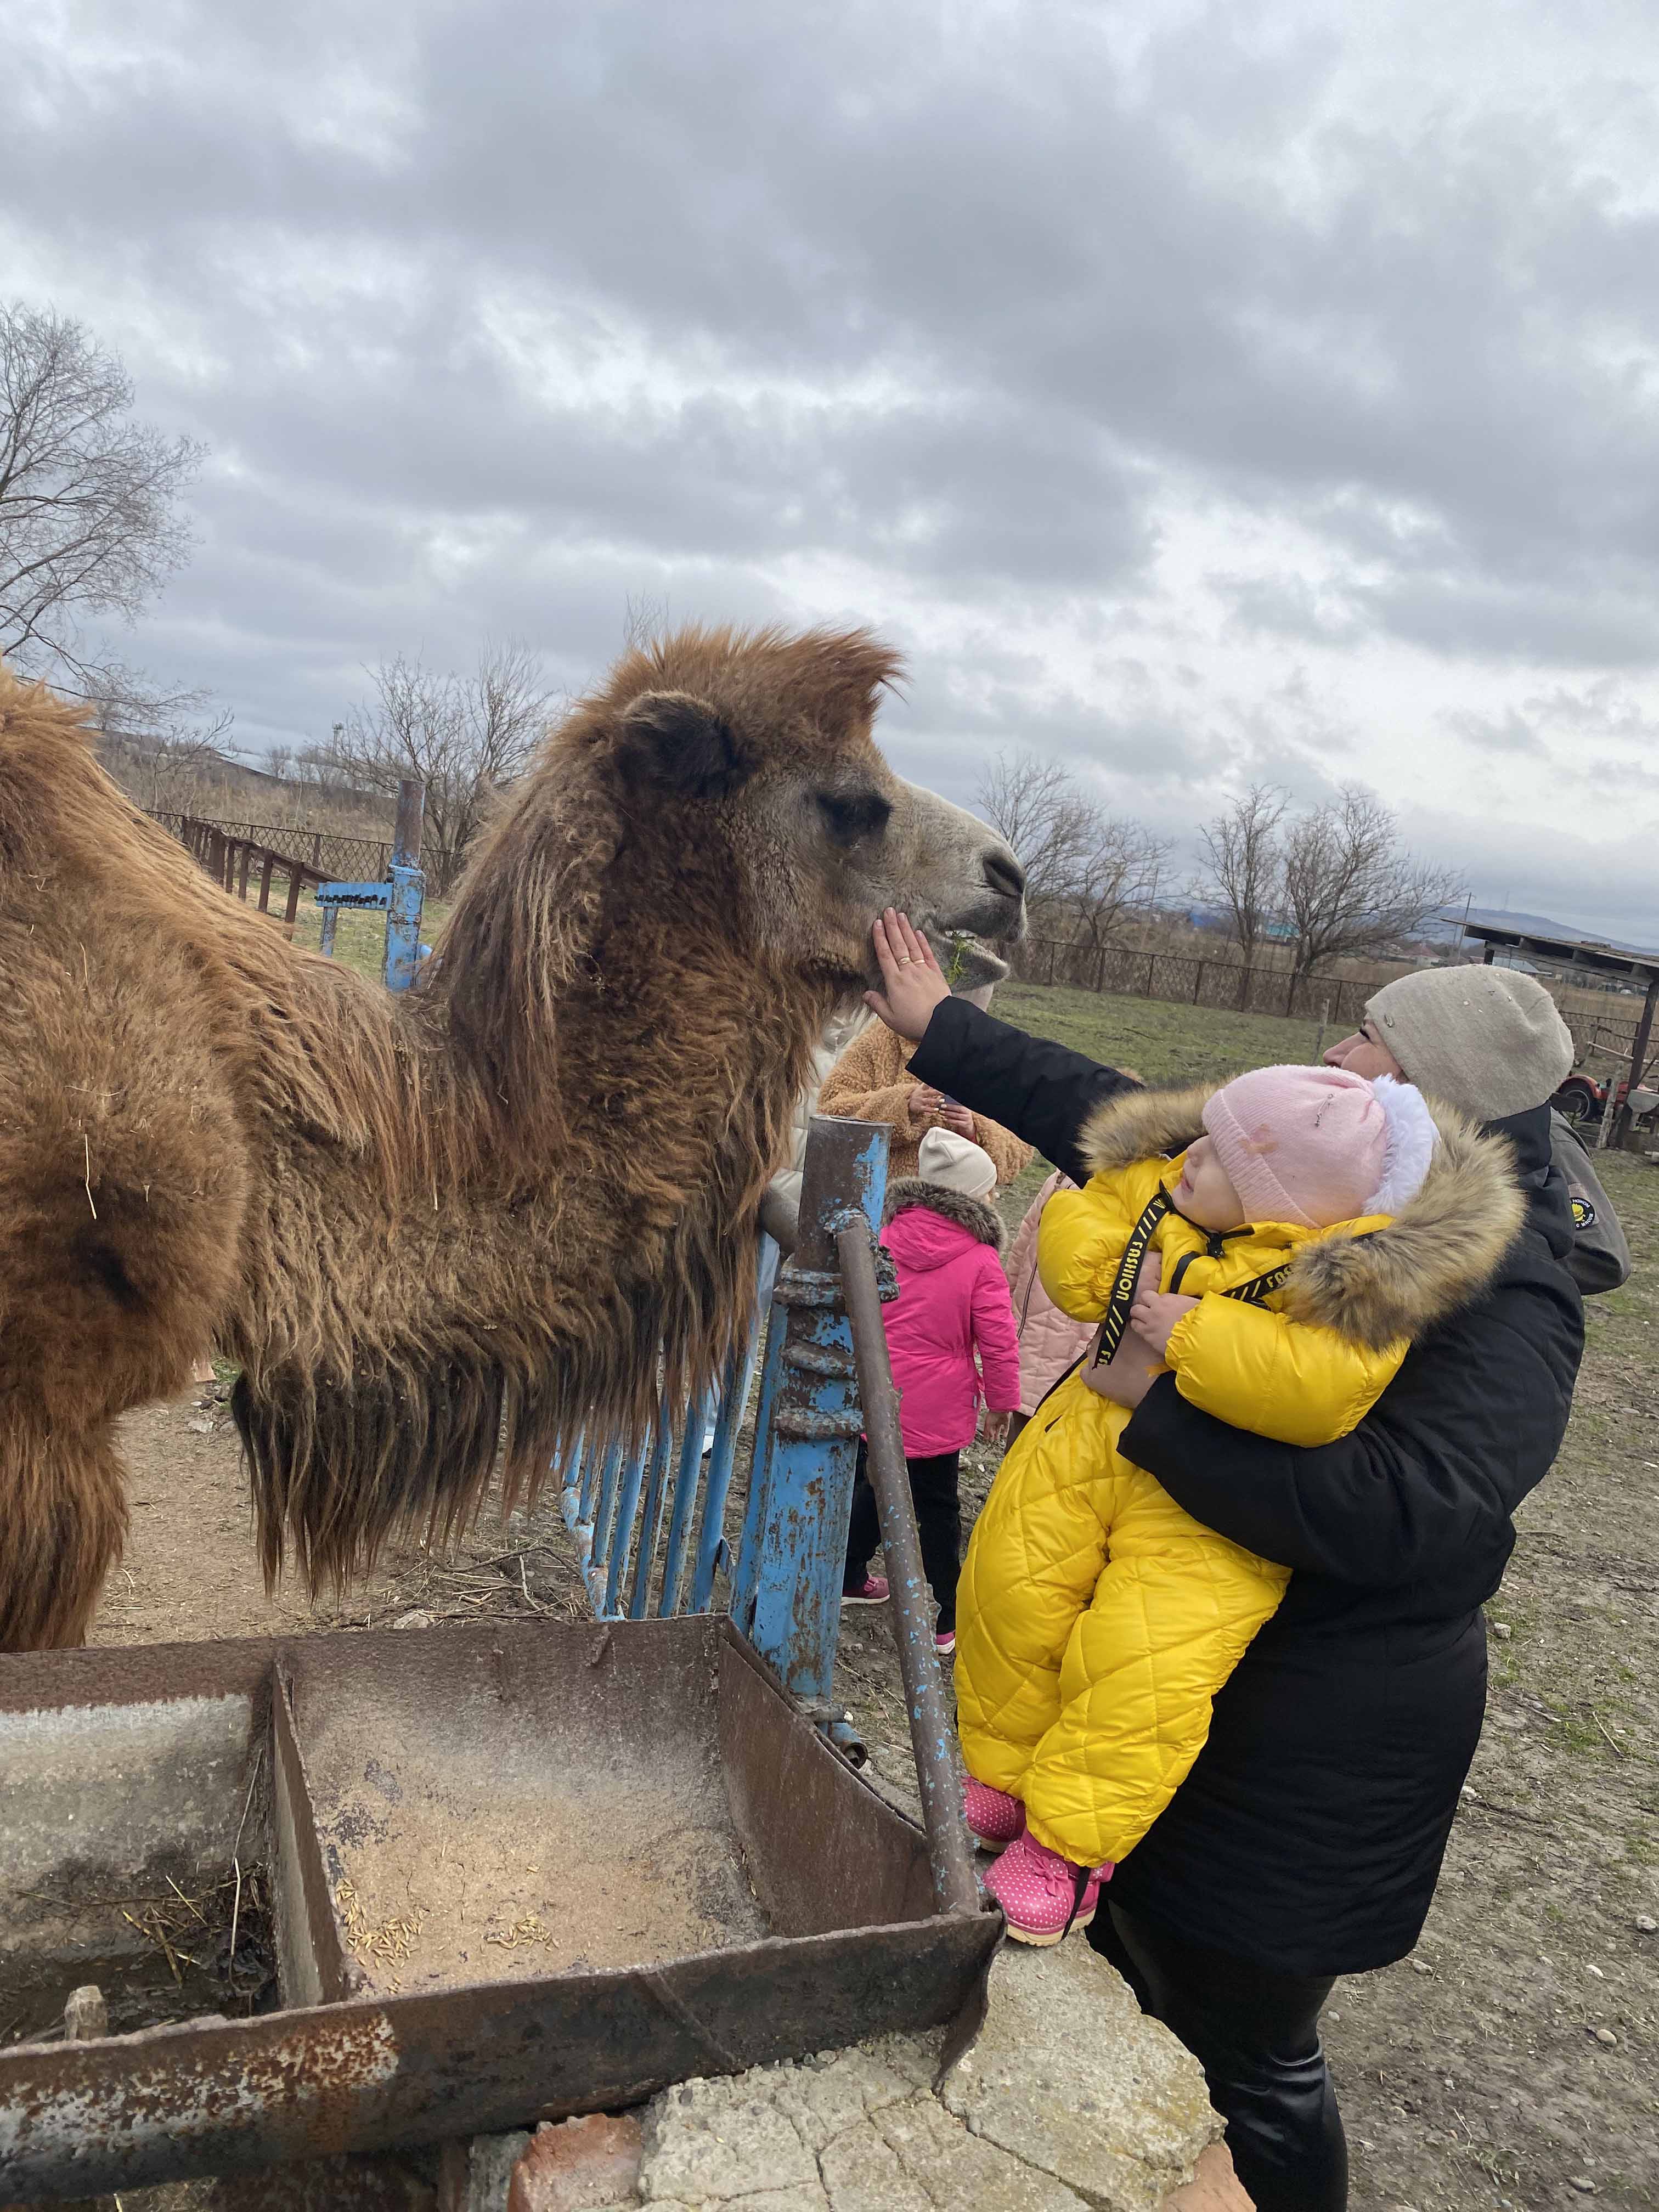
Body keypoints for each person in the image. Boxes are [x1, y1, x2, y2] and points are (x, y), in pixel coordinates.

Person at [861, 912, 1583, 2212]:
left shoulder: (1505, 1283)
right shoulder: (1307, 1167)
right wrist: (942, 1030)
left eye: (1366, 1033)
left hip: (1310, 1746)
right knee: (1135, 1989)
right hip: (1169, 1693)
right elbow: (1116, 1110)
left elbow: (1423, 1514)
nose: (1333, 1042)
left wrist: (1161, 1406)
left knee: (1248, 2057)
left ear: (1422, 1092)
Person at [961, 1062, 1521, 1954]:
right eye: (1199, 1137)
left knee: (1141, 1672)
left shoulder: (1350, 1281)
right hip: (1080, 1449)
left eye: (1221, 1157)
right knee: (1011, 1596)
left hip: (1206, 1515)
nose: (1188, 1158)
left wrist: (1183, 1326)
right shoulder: (1162, 1185)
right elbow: (1080, 1225)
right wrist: (1118, 1282)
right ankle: (1000, 1771)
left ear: (1286, 1206)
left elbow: (1317, 1389)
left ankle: (1066, 1851)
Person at [841, 1128, 1022, 1654]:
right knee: (938, 1509)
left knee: (873, 1485)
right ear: (971, 1198)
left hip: (874, 1392)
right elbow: (999, 1340)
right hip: (937, 1408)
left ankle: (847, 1575)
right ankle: (947, 1617)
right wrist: (1002, 1402)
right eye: (988, 1191)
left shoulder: (884, 1232)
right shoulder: (982, 1261)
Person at [819, 982, 1032, 1186]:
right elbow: (831, 1111)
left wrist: (974, 1130)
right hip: (879, 1201)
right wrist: (903, 1104)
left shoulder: (991, 1054)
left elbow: (1019, 1149)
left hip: (955, 1210)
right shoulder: (880, 1042)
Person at [1001, 1170, 1095, 1449]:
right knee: (1022, 1424)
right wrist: (1008, 1294)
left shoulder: (1125, 1193)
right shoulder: (1058, 1179)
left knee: (1052, 1435)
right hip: (1031, 1328)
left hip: (1072, 1337)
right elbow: (1025, 1240)